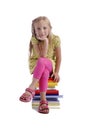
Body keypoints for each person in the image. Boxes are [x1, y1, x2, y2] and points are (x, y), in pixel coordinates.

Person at [19, 16, 61, 114]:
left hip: (50, 63)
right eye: (38, 28)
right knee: (44, 72)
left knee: (43, 62)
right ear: (34, 31)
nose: (42, 31)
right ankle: (43, 101)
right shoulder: (34, 39)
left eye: (44, 28)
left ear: (50, 28)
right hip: (37, 64)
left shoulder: (55, 39)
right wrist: (44, 41)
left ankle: (31, 88)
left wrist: (57, 72)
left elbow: (58, 57)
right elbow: (41, 56)